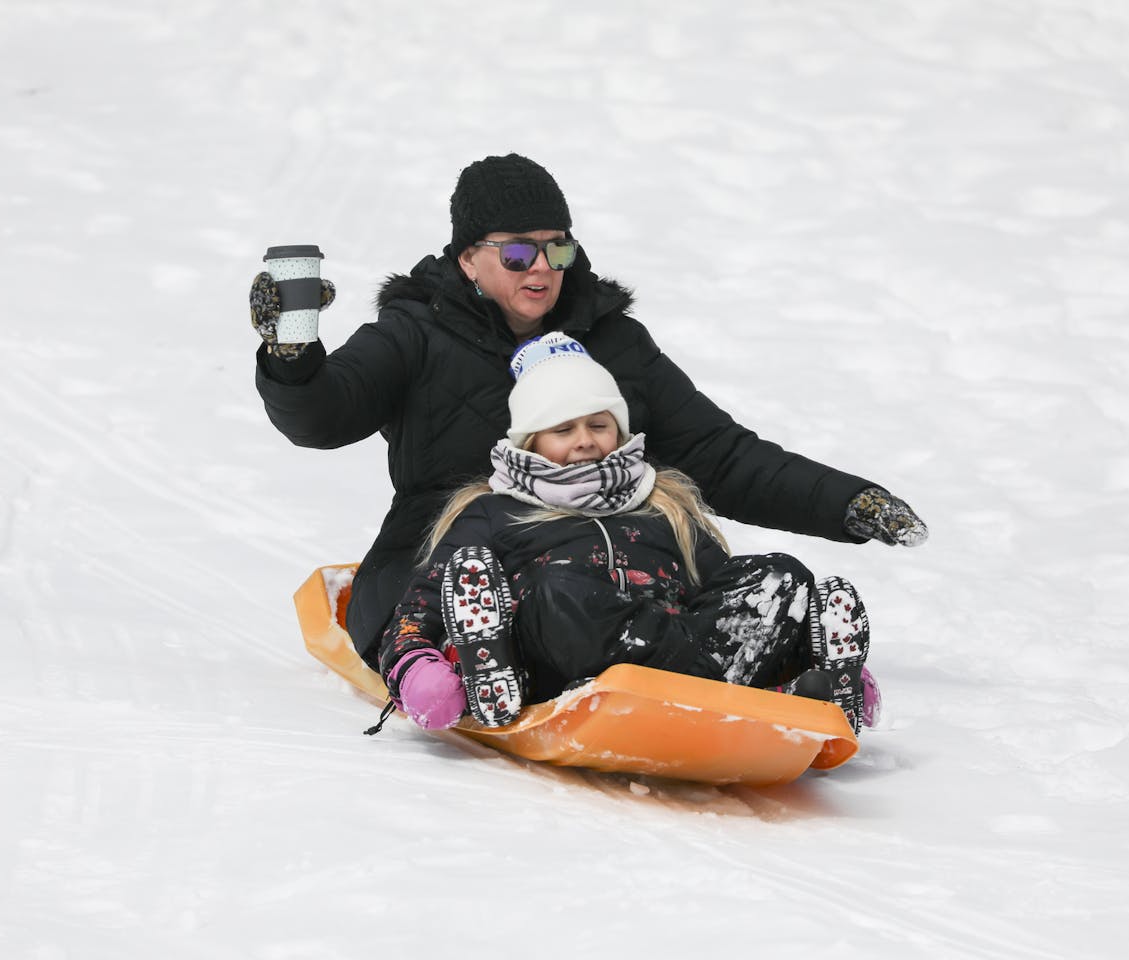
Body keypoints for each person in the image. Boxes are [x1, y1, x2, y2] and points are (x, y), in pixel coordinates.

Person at [251, 153, 926, 675]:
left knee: (744, 581)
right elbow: (320, 417)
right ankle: (480, 658)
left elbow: (718, 455)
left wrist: (848, 502)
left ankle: (733, 663)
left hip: (611, 554)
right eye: (517, 252)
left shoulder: (612, 342)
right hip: (453, 563)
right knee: (553, 597)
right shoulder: (415, 335)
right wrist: (291, 357)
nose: (541, 267)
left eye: (558, 247)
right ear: (467, 260)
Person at [379, 333, 879, 734]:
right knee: (564, 588)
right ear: (531, 442)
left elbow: (719, 594)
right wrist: (422, 675)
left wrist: (798, 634)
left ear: (618, 431)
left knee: (779, 577)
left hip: (677, 654)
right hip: (564, 662)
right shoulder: (491, 513)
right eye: (563, 429)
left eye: (598, 424)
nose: (585, 441)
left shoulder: (661, 503)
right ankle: (490, 676)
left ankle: (801, 687)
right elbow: (416, 613)